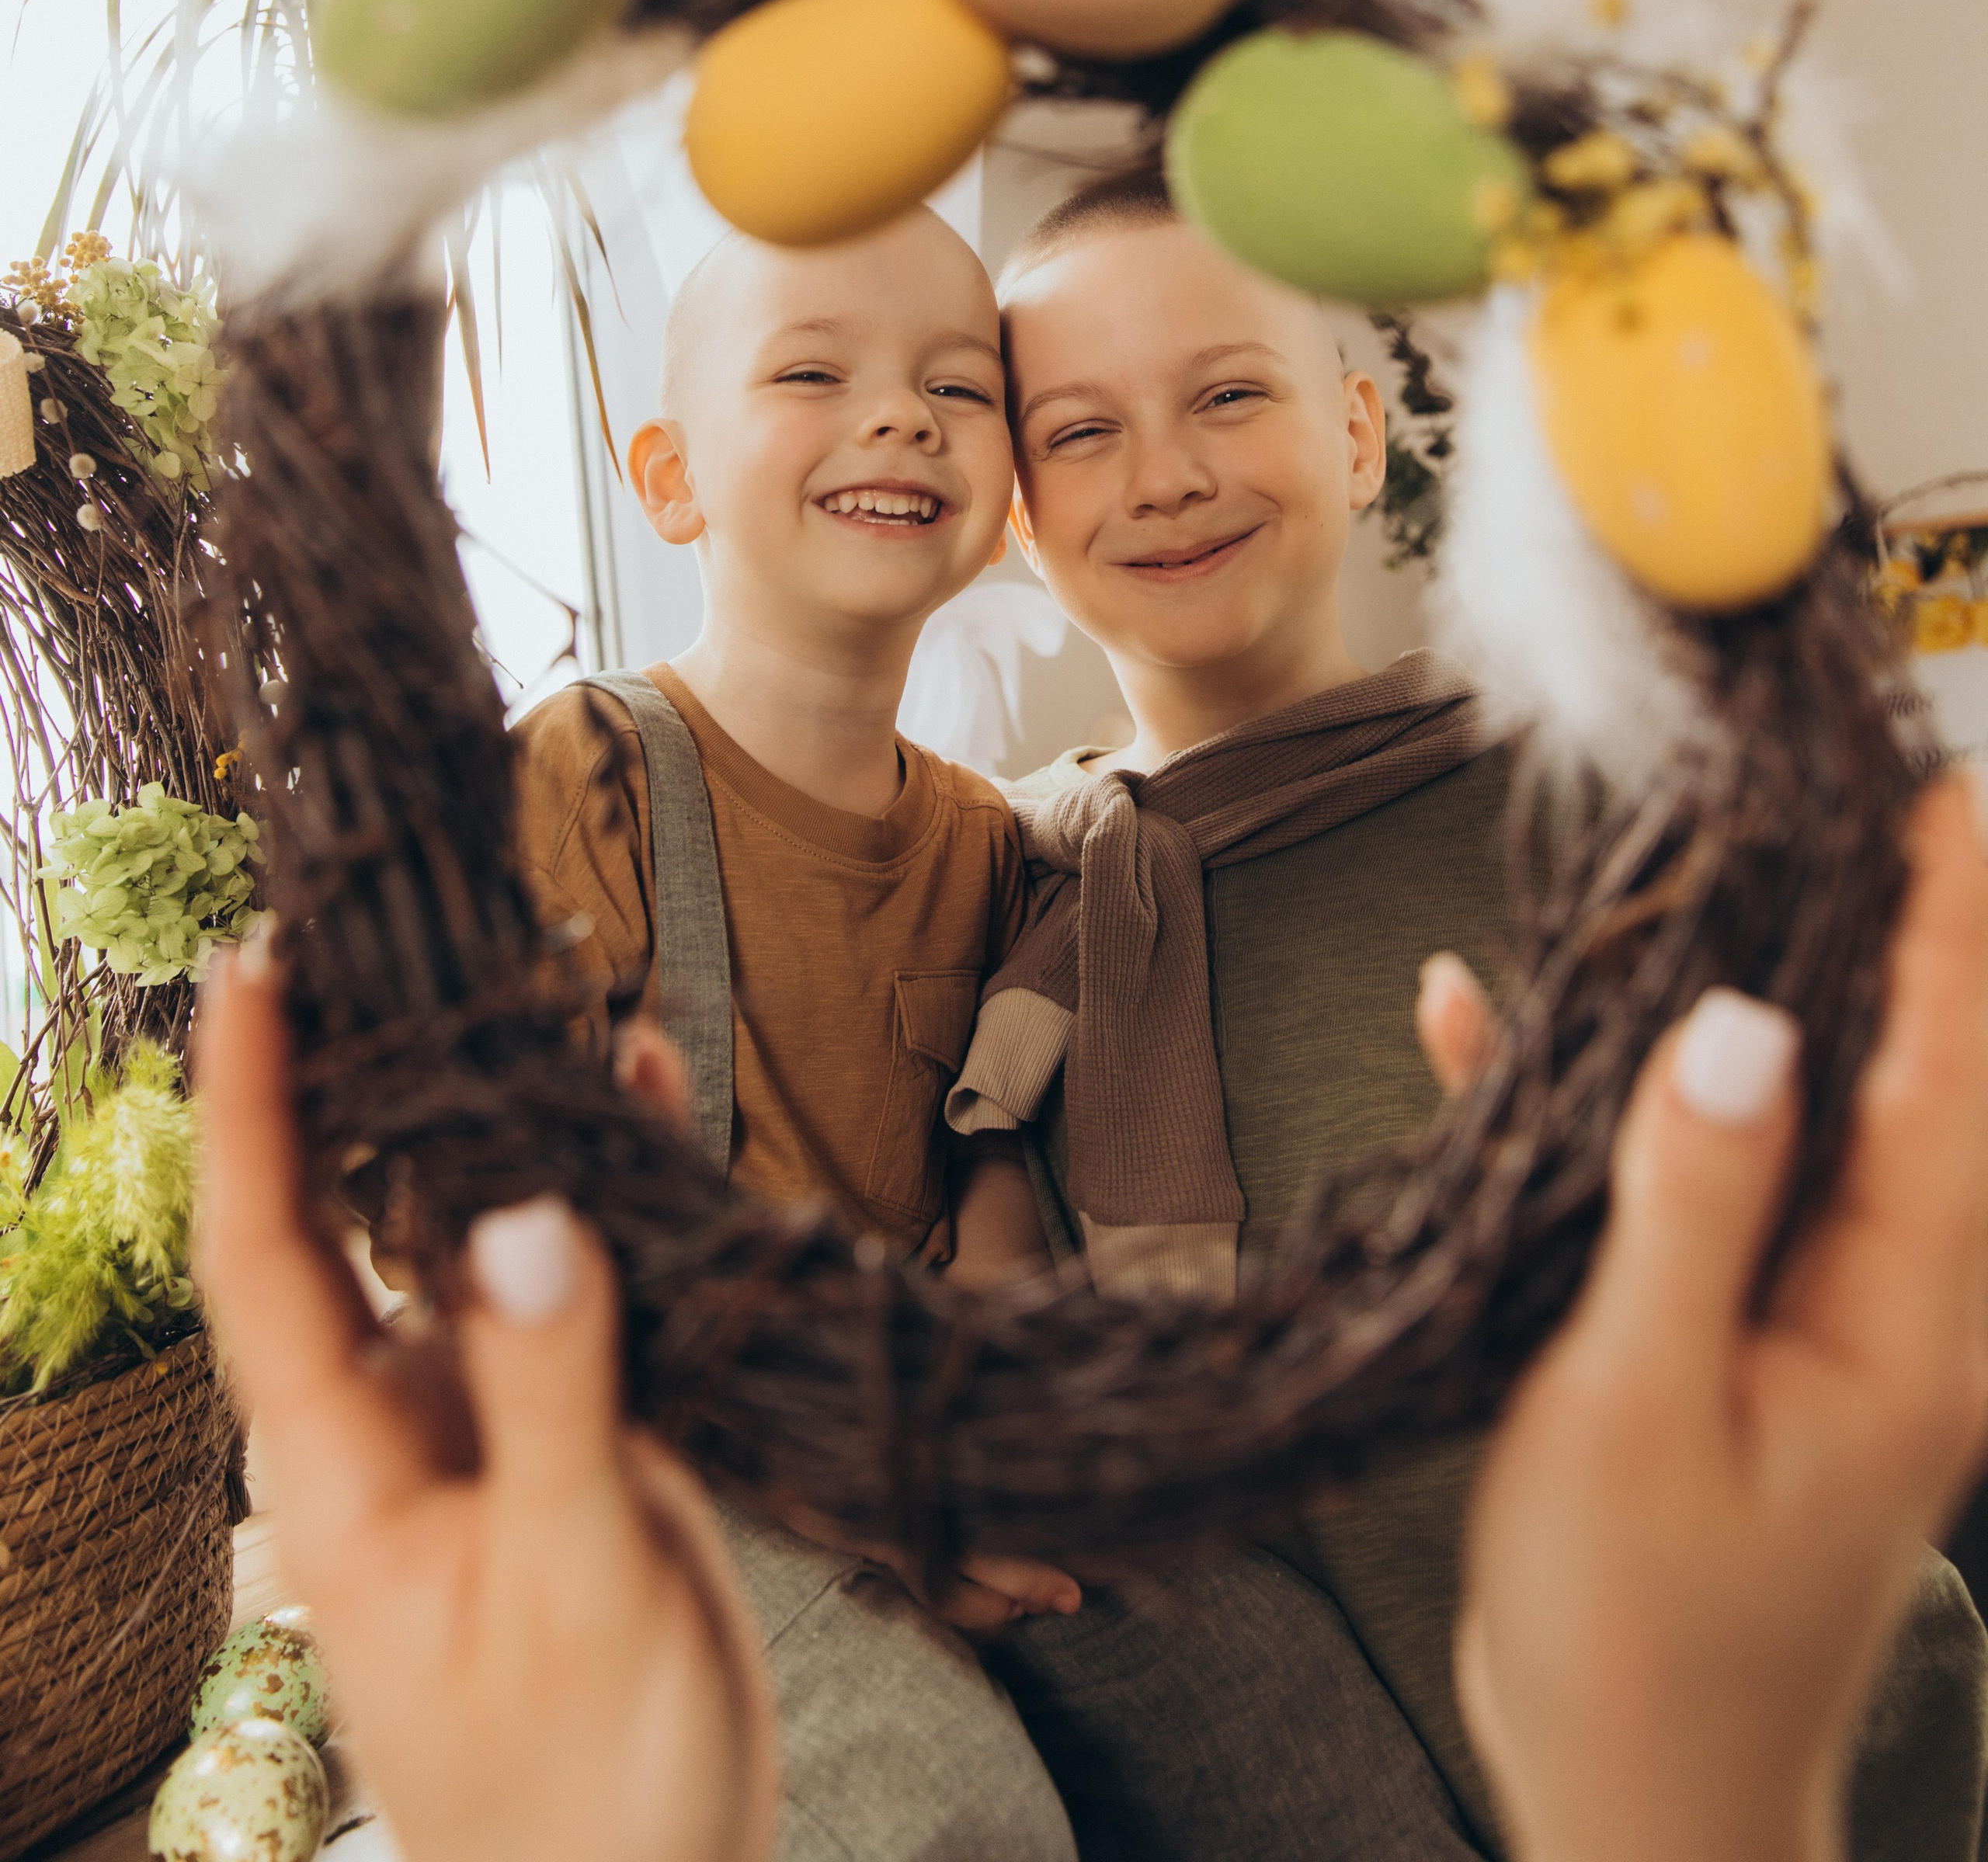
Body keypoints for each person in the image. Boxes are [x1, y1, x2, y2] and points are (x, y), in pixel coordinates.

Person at [191, 769, 1988, 1862]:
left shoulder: (1033, 849)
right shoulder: (653, 802)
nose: (1159, 469)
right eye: (1080, 421)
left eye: (953, 386)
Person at [947, 175, 1988, 1860]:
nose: (1166, 473)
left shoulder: (1584, 785)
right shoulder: (1013, 876)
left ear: (1357, 437)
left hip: (1769, 1725)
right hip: (1335, 1773)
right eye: (1079, 433)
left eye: (1228, 393)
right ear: (1012, 517)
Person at [499, 206, 1080, 1862]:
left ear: (1006, 500)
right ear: (669, 477)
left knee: (1253, 1693)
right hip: (646, 1469)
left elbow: (992, 1185)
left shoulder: (989, 845)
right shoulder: (578, 773)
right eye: (813, 370)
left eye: (956, 388)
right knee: (941, 1819)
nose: (897, 415)